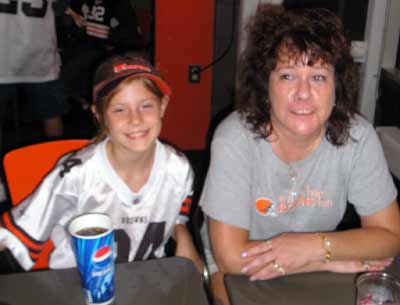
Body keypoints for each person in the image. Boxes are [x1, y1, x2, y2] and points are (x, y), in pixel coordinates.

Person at [199, 4, 400, 305]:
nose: (303, 93)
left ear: (337, 88)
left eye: (318, 77)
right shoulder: (234, 138)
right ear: (266, 87)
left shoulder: (358, 136)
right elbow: (230, 258)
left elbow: (389, 237)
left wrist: (311, 249)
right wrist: (325, 259)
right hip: (240, 268)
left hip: (311, 256)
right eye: (288, 76)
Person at [0, 53, 202, 272]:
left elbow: (176, 215)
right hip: (78, 285)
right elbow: (17, 233)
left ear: (162, 106)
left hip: (147, 283)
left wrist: (183, 234)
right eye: (119, 109)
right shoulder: (77, 173)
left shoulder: (178, 168)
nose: (135, 120)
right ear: (100, 115)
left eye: (146, 106)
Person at [0, 0, 69, 143]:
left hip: (3, 54)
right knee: (51, 114)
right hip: (40, 55)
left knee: (52, 114)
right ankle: (57, 162)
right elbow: (60, 9)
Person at [61, 0, 144, 109]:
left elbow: (131, 38)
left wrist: (100, 35)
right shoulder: (81, 3)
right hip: (85, 53)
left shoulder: (118, 4)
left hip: (111, 55)